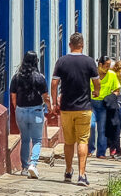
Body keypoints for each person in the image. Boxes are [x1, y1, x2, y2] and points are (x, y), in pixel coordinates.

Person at [51, 33, 101, 187]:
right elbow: (97, 82)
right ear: (83, 45)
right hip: (84, 108)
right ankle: (81, 175)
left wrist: (54, 102)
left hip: (66, 108)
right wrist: (97, 92)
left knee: (68, 142)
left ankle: (67, 171)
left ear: (69, 45)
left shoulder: (62, 61)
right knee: (83, 141)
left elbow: (54, 84)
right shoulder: (89, 62)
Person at [10, 51, 51, 179]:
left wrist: (18, 108)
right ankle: (33, 164)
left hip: (21, 111)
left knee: (25, 140)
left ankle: (24, 168)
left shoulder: (16, 77)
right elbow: (45, 96)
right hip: (36, 111)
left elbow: (13, 97)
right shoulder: (39, 78)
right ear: (35, 62)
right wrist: (50, 106)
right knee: (37, 141)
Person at [89, 56, 120, 158]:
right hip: (91, 104)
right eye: (106, 66)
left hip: (103, 105)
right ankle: (90, 149)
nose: (108, 68)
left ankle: (101, 152)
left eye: (109, 66)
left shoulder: (112, 75)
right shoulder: (92, 74)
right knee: (91, 126)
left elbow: (116, 90)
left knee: (102, 129)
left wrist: (111, 97)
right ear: (100, 65)